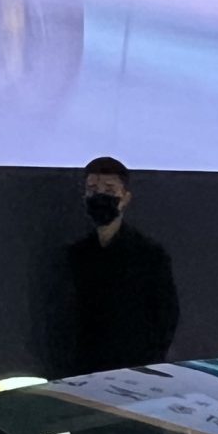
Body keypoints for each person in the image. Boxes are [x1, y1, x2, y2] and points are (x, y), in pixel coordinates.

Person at [63, 156, 180, 374]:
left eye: (109, 189)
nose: (100, 196)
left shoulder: (149, 255)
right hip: (83, 372)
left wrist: (147, 365)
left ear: (125, 198)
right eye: (92, 189)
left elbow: (165, 317)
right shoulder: (76, 255)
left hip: (133, 371)